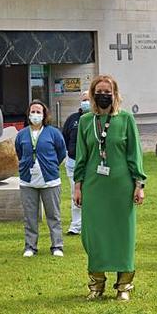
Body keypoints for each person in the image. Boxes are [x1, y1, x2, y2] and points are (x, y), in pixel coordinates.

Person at [73, 74, 146, 301]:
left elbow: (135, 153)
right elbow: (81, 157)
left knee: (123, 234)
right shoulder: (86, 121)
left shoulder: (125, 119)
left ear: (115, 94)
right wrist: (78, 186)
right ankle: (96, 283)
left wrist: (139, 184)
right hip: (94, 187)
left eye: (108, 91)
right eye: (99, 91)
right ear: (93, 95)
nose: (103, 95)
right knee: (94, 235)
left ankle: (124, 285)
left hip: (121, 186)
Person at [14, 99, 68, 257]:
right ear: (28, 114)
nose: (35, 115)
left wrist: (51, 166)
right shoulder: (22, 134)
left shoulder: (53, 133)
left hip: (50, 180)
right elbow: (19, 152)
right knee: (30, 216)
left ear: (44, 115)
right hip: (27, 181)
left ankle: (57, 245)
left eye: (39, 112)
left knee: (54, 215)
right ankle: (30, 246)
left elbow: (61, 152)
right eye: (33, 112)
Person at [61, 91, 90, 235]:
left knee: (91, 194)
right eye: (84, 100)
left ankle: (91, 225)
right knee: (76, 193)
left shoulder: (97, 119)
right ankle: (76, 225)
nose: (86, 102)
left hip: (91, 164)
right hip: (73, 163)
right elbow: (64, 138)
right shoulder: (72, 119)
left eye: (89, 100)